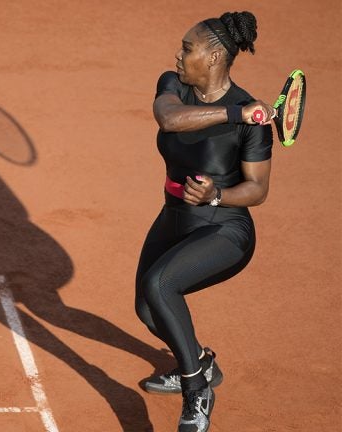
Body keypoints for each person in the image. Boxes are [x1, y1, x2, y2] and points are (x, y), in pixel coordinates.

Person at [134, 11, 275, 432]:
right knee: (146, 308)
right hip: (175, 213)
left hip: (224, 228)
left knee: (161, 285)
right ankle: (200, 364)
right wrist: (236, 114)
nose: (179, 56)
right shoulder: (174, 85)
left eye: (187, 48)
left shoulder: (254, 124)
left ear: (214, 57)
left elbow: (257, 190)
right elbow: (169, 119)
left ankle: (197, 391)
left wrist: (217, 194)